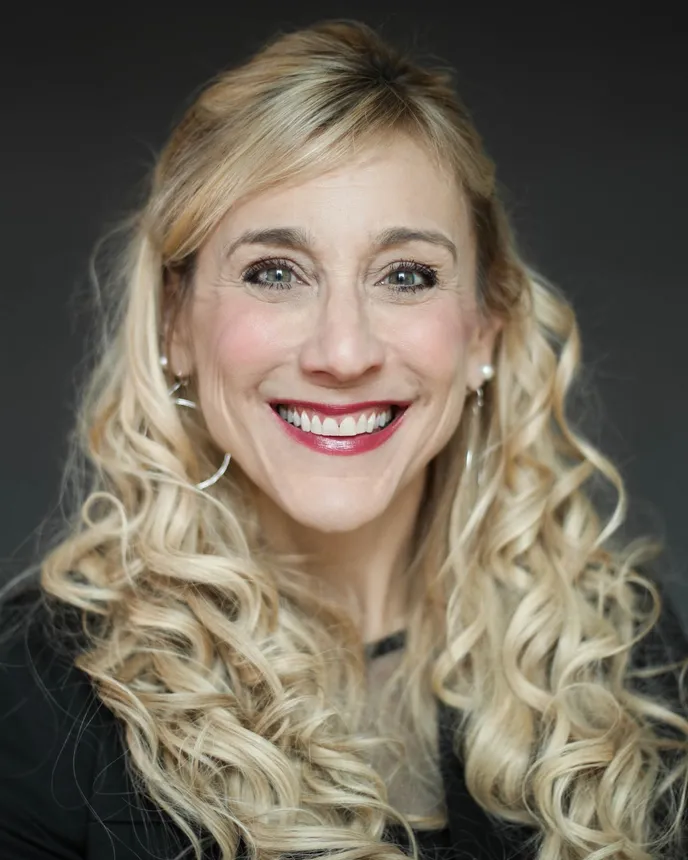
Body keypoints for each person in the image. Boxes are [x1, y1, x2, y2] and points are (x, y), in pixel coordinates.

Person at [1, 18, 687, 860]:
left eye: (406, 276)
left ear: (484, 332)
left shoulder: (621, 656)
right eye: (274, 273)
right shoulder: (33, 702)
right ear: (176, 323)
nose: (343, 352)